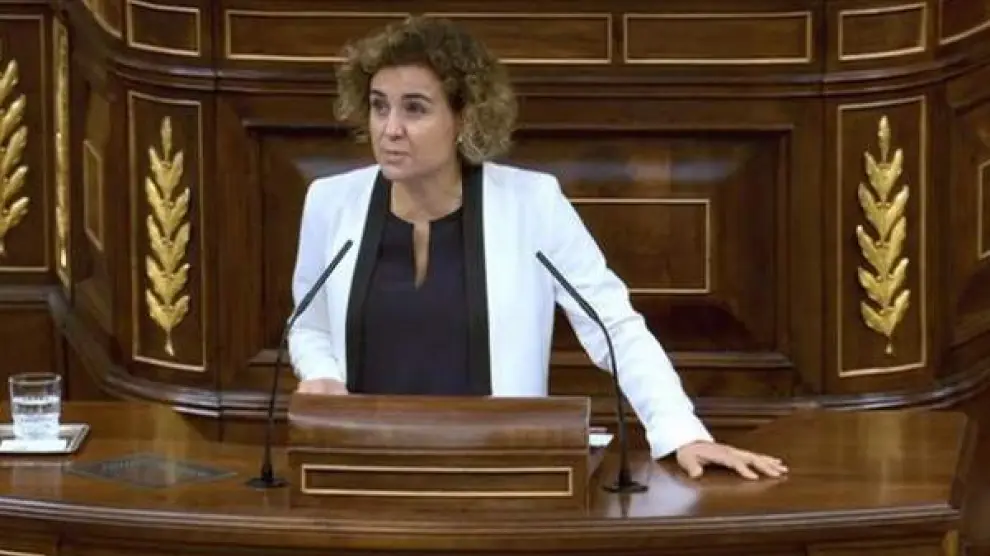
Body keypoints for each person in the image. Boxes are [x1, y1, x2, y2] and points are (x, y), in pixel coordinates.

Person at [287, 15, 787, 481]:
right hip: (362, 467)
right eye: (379, 106)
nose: (389, 128)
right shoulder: (331, 203)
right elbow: (309, 325)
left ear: (464, 118)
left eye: (414, 108)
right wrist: (323, 376)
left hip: (498, 475)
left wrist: (681, 432)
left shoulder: (531, 204)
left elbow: (613, 324)